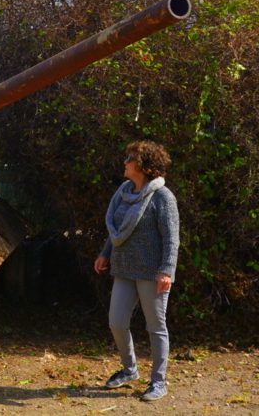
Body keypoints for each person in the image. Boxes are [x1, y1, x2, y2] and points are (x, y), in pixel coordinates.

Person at [94, 141, 180, 402]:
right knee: (116, 322)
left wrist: (166, 270)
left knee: (156, 327)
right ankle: (130, 370)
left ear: (142, 165)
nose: (125, 162)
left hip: (152, 272)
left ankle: (158, 382)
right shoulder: (123, 192)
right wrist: (105, 253)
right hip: (123, 269)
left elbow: (171, 238)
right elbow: (117, 229)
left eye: (129, 158)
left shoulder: (162, 196)